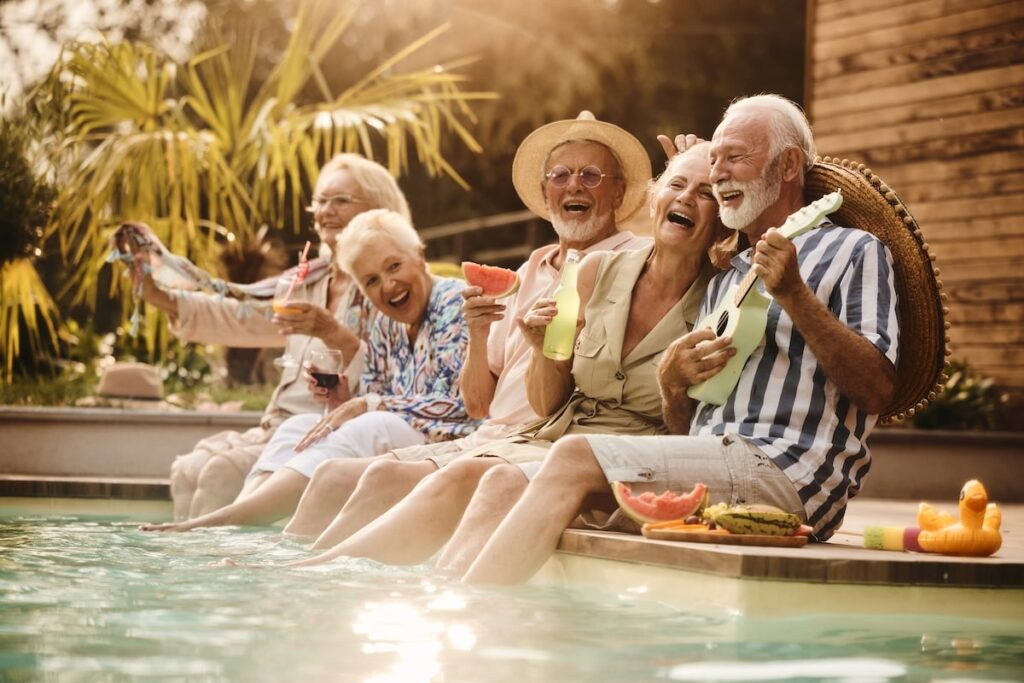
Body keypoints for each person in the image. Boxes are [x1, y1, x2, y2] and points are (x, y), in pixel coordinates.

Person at [456, 93, 907, 584]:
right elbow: (687, 427)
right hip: (711, 461)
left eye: (735, 157)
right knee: (503, 480)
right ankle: (442, 607)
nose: (720, 173)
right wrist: (672, 385)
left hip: (787, 471)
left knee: (573, 454)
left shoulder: (852, 249)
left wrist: (795, 295)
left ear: (789, 164)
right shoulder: (727, 278)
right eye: (715, 162)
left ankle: (477, 610)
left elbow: (878, 390)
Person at [287, 140, 730, 570]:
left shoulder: (721, 295)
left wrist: (672, 385)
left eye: (706, 191)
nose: (575, 185)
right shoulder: (590, 272)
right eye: (676, 185)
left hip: (621, 452)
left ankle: (348, 578)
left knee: (475, 477)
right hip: (545, 431)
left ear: (621, 194)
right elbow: (546, 401)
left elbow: (700, 432)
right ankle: (311, 568)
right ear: (655, 198)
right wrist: (537, 349)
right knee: (386, 475)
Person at [140, 209, 476, 532]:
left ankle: (229, 519)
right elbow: (375, 391)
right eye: (371, 280)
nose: (388, 285)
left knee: (374, 423)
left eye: (394, 266)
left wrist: (369, 405)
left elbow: (460, 405)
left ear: (419, 255)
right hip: (399, 433)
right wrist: (343, 398)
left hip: (449, 438)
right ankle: (238, 517)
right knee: (298, 426)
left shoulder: (452, 302)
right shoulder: (387, 322)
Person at [121, 154, 409, 520]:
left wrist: (332, 332)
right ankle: (189, 570)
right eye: (320, 201)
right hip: (277, 426)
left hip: (333, 431)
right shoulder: (307, 281)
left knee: (219, 473)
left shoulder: (391, 286)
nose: (326, 211)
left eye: (340, 201)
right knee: (187, 470)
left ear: (379, 208)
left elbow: (400, 372)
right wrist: (162, 297)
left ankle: (213, 570)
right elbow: (240, 315)